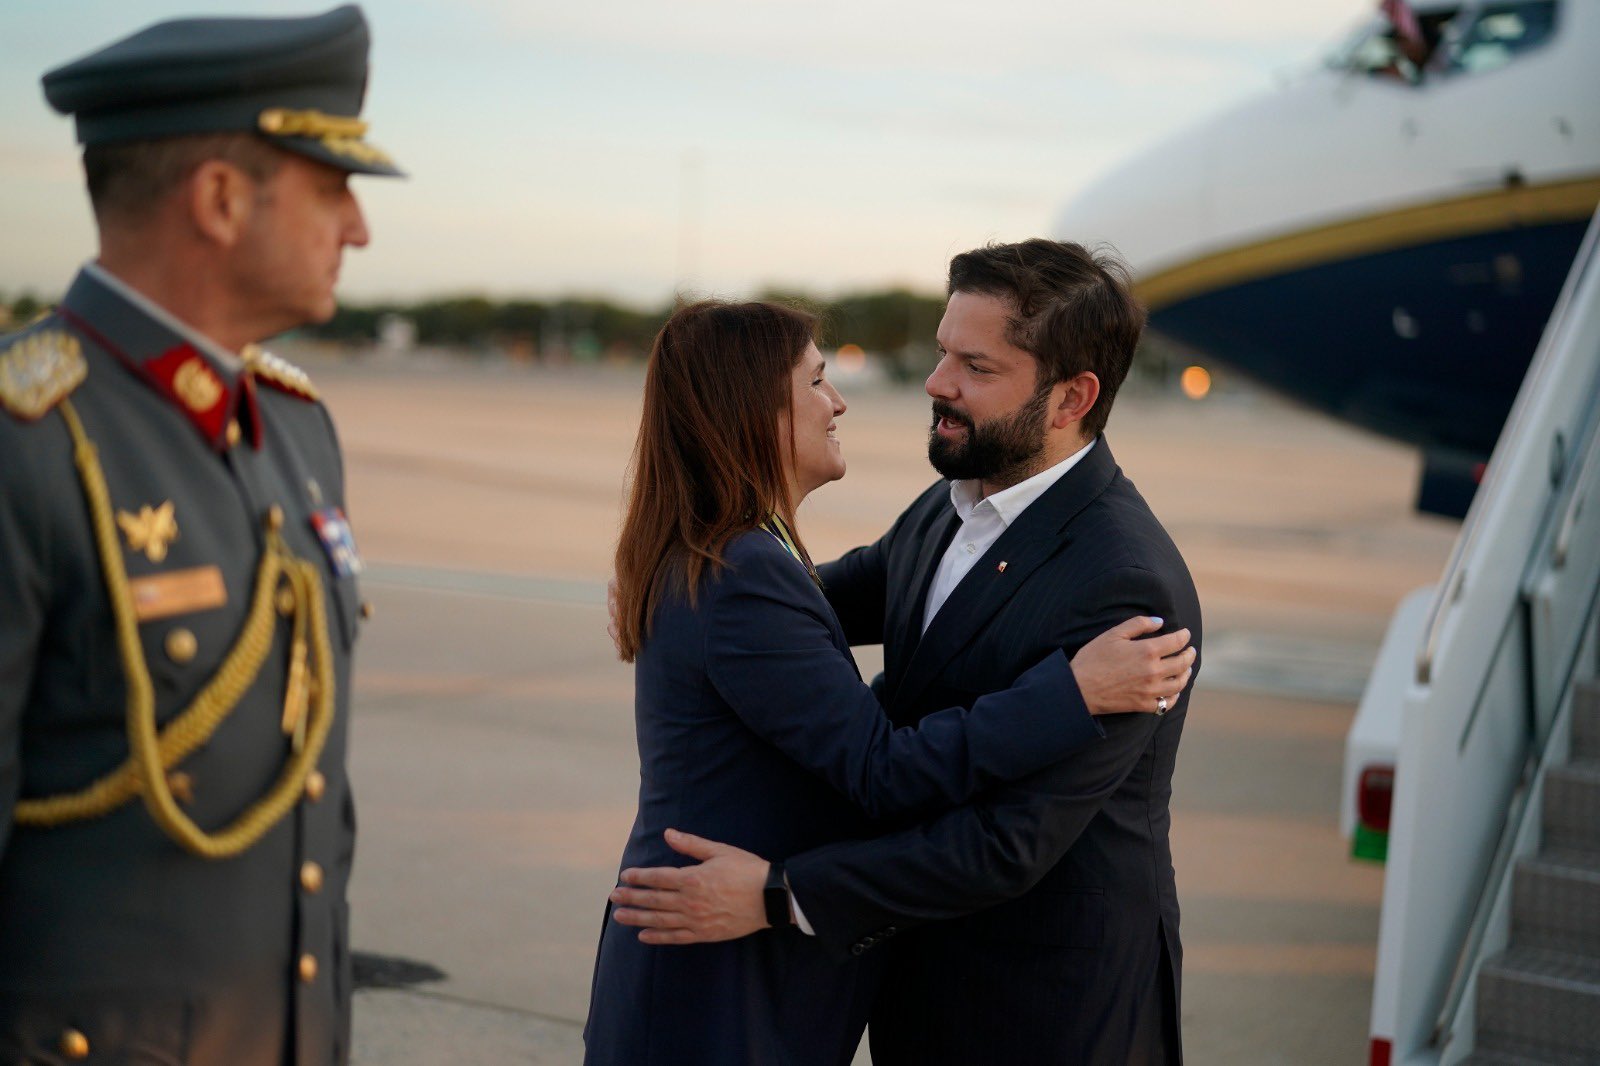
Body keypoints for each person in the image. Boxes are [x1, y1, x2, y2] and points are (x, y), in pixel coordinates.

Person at [610, 239, 1202, 1065]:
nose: (936, 383)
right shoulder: (950, 508)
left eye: (975, 366)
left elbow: (1007, 846)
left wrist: (782, 895)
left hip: (1041, 1017)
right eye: (940, 353)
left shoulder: (1125, 586)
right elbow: (788, 610)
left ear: (1072, 397)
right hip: (912, 994)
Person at [0, 7, 398, 1063]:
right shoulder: (26, 442)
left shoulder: (295, 427)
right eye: (331, 188)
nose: (357, 227)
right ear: (219, 199)